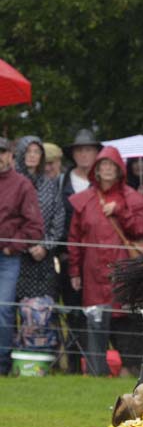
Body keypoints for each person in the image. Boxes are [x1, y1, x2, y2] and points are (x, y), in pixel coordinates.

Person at [68, 146, 143, 376]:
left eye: (111, 165)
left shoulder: (130, 197)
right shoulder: (84, 200)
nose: (106, 169)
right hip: (93, 273)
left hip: (123, 271)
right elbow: (74, 239)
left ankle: (132, 370)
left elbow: (140, 228)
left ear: (119, 170)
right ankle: (96, 373)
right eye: (103, 165)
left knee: (125, 322)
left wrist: (121, 210)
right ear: (96, 169)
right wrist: (74, 271)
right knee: (95, 323)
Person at [14, 136, 66, 352]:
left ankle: (43, 356)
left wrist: (45, 245)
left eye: (37, 152)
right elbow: (10, 219)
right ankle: (10, 357)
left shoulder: (49, 184)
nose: (33, 156)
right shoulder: (12, 182)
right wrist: (27, 245)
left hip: (43, 260)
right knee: (12, 309)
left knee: (44, 310)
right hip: (16, 256)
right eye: (29, 152)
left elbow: (59, 216)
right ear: (21, 154)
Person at [0, 137, 44, 375]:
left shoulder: (22, 185)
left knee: (3, 309)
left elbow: (35, 227)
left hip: (7, 258)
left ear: (10, 155)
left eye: (2, 152)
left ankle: (2, 365)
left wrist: (11, 246)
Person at [60, 128, 102, 372]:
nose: (84, 154)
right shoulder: (62, 182)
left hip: (98, 259)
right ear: (73, 154)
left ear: (97, 154)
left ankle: (98, 365)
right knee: (73, 311)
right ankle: (73, 365)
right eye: (80, 150)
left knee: (99, 315)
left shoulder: (107, 180)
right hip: (70, 257)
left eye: (89, 149)